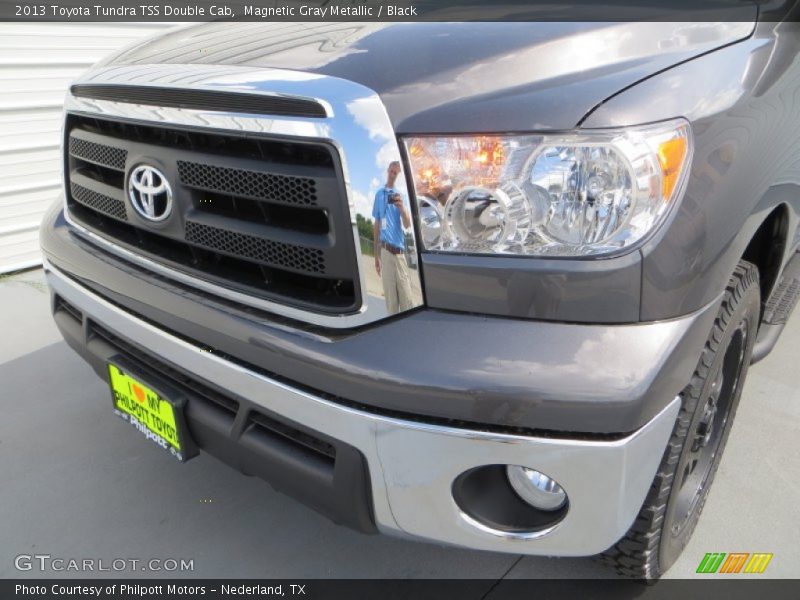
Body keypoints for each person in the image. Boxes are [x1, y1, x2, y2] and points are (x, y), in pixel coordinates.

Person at [372, 161, 414, 314]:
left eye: (396, 173)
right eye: (391, 171)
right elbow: (376, 224)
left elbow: (408, 224)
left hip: (400, 253)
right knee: (391, 303)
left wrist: (402, 208)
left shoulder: (400, 196)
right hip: (385, 251)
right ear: (387, 170)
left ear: (398, 175)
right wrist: (376, 256)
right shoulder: (379, 195)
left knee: (407, 300)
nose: (392, 174)